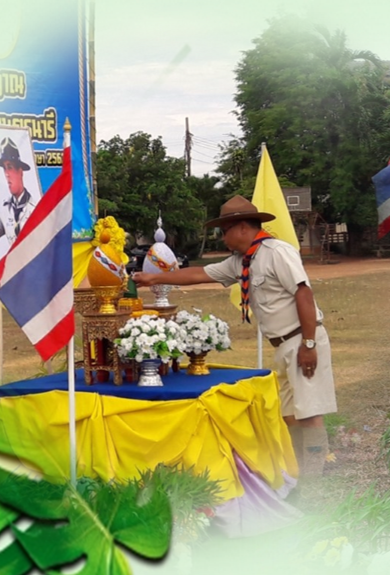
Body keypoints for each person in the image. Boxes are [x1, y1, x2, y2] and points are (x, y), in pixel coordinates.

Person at [133, 196, 338, 478]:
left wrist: (309, 344)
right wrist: (153, 278)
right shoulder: (242, 261)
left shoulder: (277, 252)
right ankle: (299, 474)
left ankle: (315, 481)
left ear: (243, 227)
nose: (222, 237)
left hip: (301, 339)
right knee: (290, 413)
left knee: (310, 413)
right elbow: (199, 274)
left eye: (225, 230)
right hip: (282, 346)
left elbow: (303, 293)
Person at [0, 138, 35, 243]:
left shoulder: (35, 207)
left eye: (10, 167)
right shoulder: (6, 208)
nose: (6, 174)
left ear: (20, 171)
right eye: (4, 168)